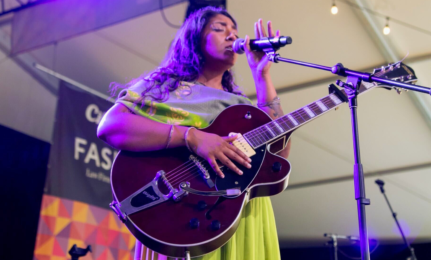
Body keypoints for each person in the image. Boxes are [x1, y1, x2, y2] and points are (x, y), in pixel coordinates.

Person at [97, 6, 291, 260]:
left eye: (235, 31)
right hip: (179, 213)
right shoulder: (163, 88)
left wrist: (261, 75)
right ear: (194, 38)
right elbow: (111, 126)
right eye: (220, 29)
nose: (232, 36)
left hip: (238, 212)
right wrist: (192, 137)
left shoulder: (240, 106)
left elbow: (279, 153)